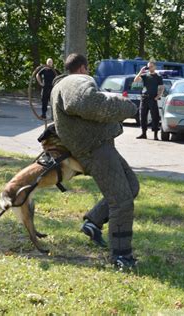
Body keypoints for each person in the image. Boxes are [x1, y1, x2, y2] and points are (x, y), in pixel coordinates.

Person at [51, 53, 139, 269]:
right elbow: (91, 104)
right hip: (95, 149)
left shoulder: (64, 83)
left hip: (100, 145)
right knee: (121, 200)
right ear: (83, 68)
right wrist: (127, 107)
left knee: (131, 186)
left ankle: (93, 222)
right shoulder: (75, 81)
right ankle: (121, 256)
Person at [133, 61, 164, 140]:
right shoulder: (145, 75)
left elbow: (161, 87)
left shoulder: (158, 76)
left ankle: (155, 135)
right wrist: (141, 71)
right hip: (144, 98)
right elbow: (135, 80)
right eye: (149, 66)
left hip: (152, 98)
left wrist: (158, 96)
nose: (150, 68)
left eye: (151, 66)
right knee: (142, 116)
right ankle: (143, 133)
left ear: (155, 67)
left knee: (155, 116)